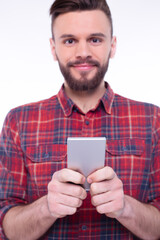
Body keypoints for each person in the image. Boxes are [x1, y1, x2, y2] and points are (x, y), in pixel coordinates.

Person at [0, 0, 160, 239]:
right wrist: (47, 207)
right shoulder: (19, 122)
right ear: (54, 48)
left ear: (112, 46)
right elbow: (7, 227)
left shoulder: (152, 120)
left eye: (95, 39)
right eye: (70, 40)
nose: (83, 52)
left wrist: (125, 208)